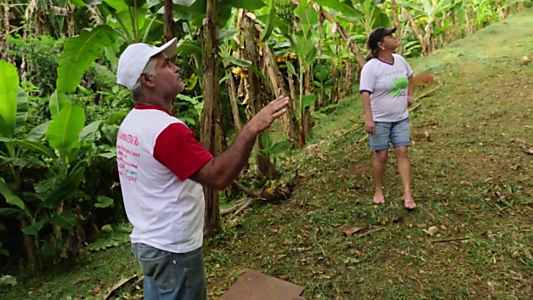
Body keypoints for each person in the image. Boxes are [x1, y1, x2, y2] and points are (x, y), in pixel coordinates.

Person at [115, 38, 289, 300]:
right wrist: (251, 128)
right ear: (148, 80)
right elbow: (217, 176)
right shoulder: (165, 130)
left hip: (148, 243)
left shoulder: (131, 123)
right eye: (166, 64)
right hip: (173, 250)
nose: (175, 68)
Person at [359, 27, 416, 210]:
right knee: (381, 155)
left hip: (400, 117)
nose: (394, 38)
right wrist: (369, 119)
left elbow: (410, 76)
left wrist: (410, 95)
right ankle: (378, 189)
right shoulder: (371, 68)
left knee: (403, 152)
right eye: (389, 37)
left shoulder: (400, 61)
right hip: (380, 120)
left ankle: (407, 193)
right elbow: (365, 93)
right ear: (381, 45)